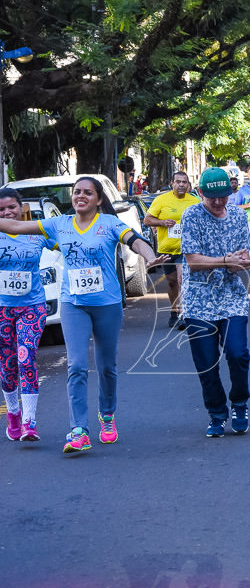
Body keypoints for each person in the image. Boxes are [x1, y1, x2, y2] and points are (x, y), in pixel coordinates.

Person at [0, 177, 166, 453]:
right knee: (76, 366)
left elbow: (135, 241)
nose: (81, 196)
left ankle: (107, 415)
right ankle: (78, 430)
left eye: (88, 193)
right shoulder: (59, 224)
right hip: (73, 304)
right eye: (77, 192)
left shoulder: (109, 224)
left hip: (107, 305)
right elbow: (15, 225)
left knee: (106, 367)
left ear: (99, 199)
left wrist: (149, 257)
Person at [180, 167, 250, 438]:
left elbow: (243, 253)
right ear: (200, 192)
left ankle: (240, 403)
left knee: (238, 353)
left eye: (223, 196)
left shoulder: (238, 214)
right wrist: (228, 260)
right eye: (212, 197)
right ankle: (216, 413)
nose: (218, 202)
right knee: (207, 362)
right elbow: (193, 260)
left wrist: (242, 263)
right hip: (198, 300)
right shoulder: (191, 215)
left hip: (232, 296)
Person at [0, 189, 52, 443]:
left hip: (32, 306)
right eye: (1, 210)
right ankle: (13, 413)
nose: (7, 212)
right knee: (7, 364)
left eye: (11, 207)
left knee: (26, 357)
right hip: (2, 308)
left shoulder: (36, 232)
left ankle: (29, 422)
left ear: (21, 208)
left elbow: (66, 241)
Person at [144, 171, 200, 330]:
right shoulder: (161, 200)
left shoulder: (194, 201)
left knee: (182, 279)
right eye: (178, 182)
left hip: (186, 249)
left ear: (188, 185)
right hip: (166, 249)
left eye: (184, 182)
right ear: (172, 183)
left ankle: (184, 314)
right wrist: (162, 222)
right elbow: (147, 220)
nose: (181, 185)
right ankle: (174, 312)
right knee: (172, 281)